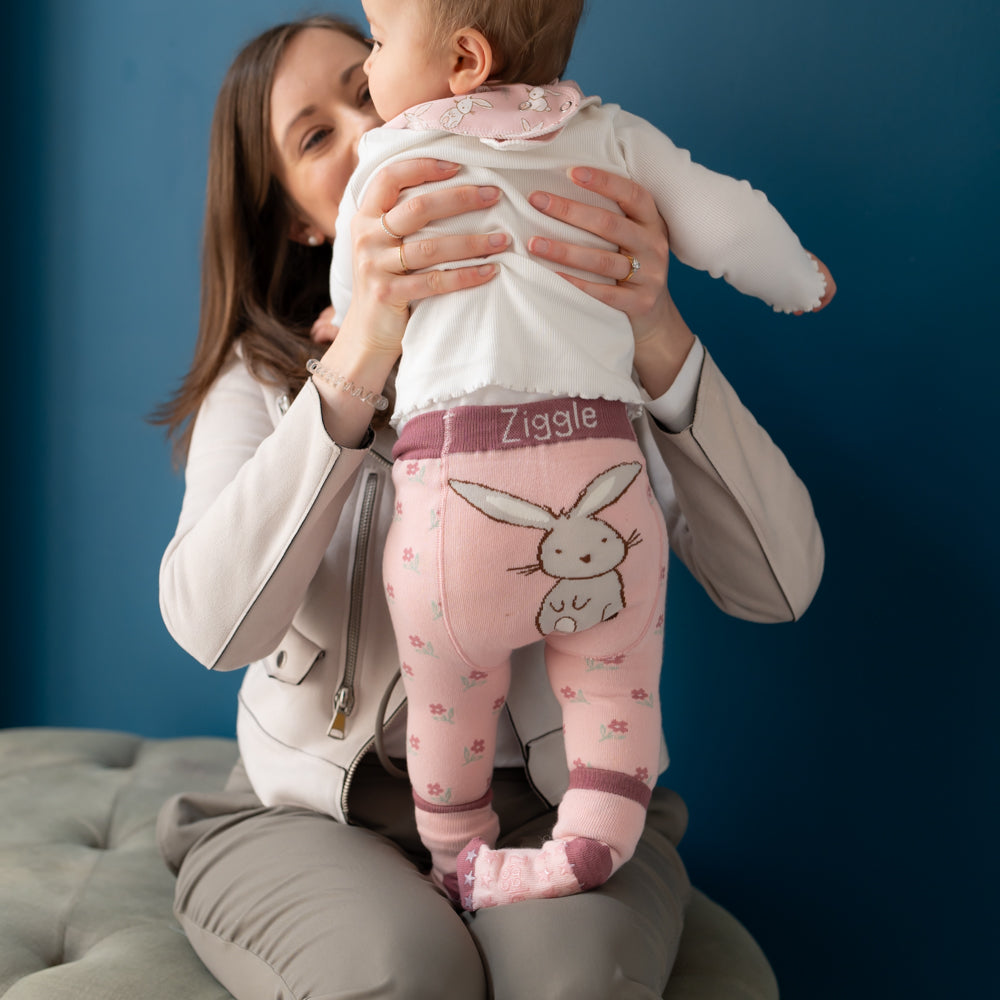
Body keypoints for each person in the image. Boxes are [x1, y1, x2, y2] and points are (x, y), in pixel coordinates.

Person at [154, 13, 824, 1000]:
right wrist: (357, 362)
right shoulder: (258, 388)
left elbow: (781, 584)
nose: (364, 126)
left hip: (559, 807)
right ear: (300, 221)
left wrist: (658, 336)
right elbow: (213, 627)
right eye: (313, 136)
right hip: (313, 818)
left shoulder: (578, 351)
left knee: (571, 981)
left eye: (364, 82)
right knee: (402, 970)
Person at [326, 0, 834, 909]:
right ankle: (590, 848)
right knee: (615, 691)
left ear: (466, 59)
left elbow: (356, 286)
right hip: (604, 489)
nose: (368, 72)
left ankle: (457, 861)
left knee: (446, 698)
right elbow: (729, 224)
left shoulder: (390, 163)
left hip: (451, 515)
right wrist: (799, 277)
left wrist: (356, 324)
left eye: (375, 42)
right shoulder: (614, 137)